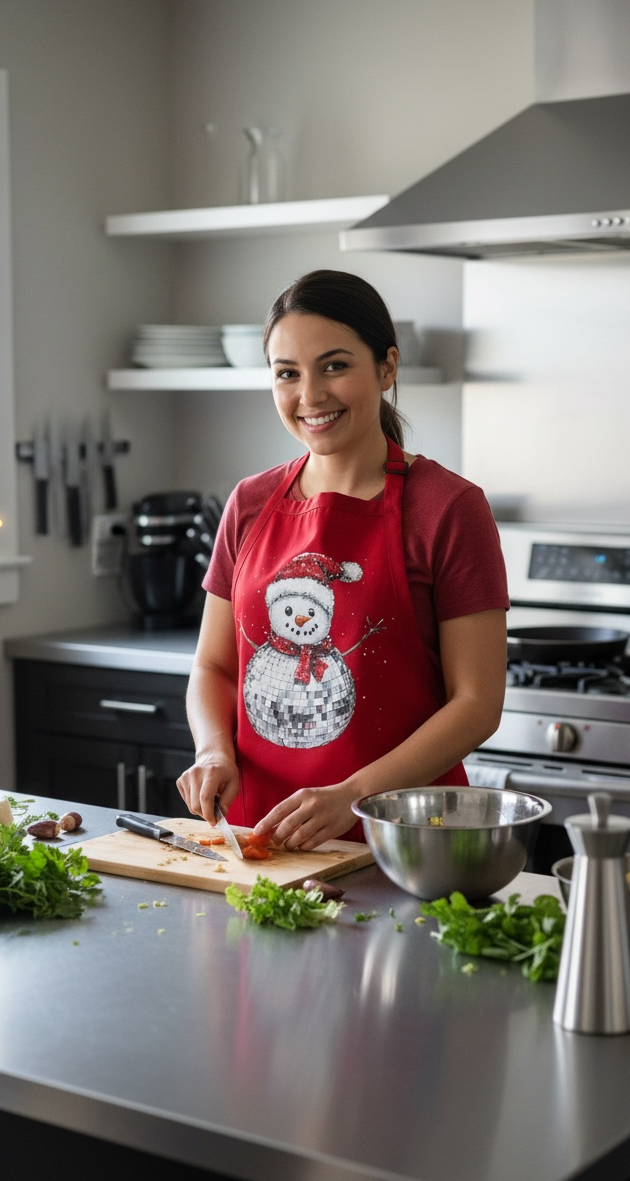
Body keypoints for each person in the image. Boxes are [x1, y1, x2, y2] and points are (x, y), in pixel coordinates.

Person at [176, 269, 509, 850]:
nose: (310, 396)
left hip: (402, 839)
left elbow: (477, 704)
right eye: (287, 374)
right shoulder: (250, 503)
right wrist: (212, 749)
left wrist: (355, 794)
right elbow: (213, 667)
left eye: (334, 366)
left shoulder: (449, 508)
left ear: (387, 367)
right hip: (260, 838)